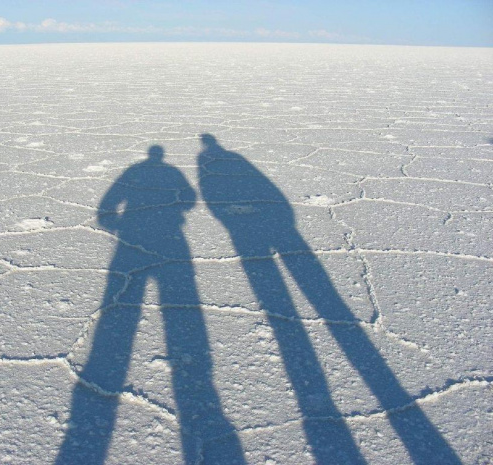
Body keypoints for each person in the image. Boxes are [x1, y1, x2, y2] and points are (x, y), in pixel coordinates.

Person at [197, 134, 460, 465]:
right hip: (273, 229)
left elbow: (221, 193)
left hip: (255, 231)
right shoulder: (228, 160)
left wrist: (229, 218)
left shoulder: (218, 162)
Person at [57, 145, 244, 464]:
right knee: (176, 303)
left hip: (135, 237)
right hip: (169, 238)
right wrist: (178, 210)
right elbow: (188, 198)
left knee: (122, 308)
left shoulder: (134, 172)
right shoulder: (170, 172)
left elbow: (109, 206)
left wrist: (113, 223)